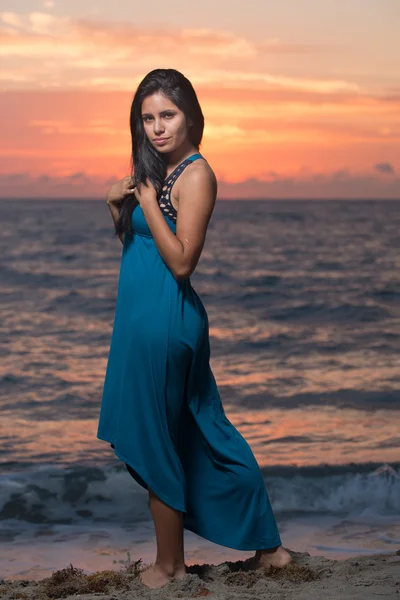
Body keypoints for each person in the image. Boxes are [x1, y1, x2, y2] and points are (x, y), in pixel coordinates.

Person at [97, 68, 292, 589]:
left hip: (166, 323)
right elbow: (144, 253)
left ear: (190, 116)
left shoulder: (195, 175)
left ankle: (171, 566)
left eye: (167, 114)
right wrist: (117, 205)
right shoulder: (156, 173)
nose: (157, 127)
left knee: (159, 438)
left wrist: (140, 198)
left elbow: (182, 262)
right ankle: (270, 550)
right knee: (202, 430)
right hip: (141, 321)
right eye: (147, 118)